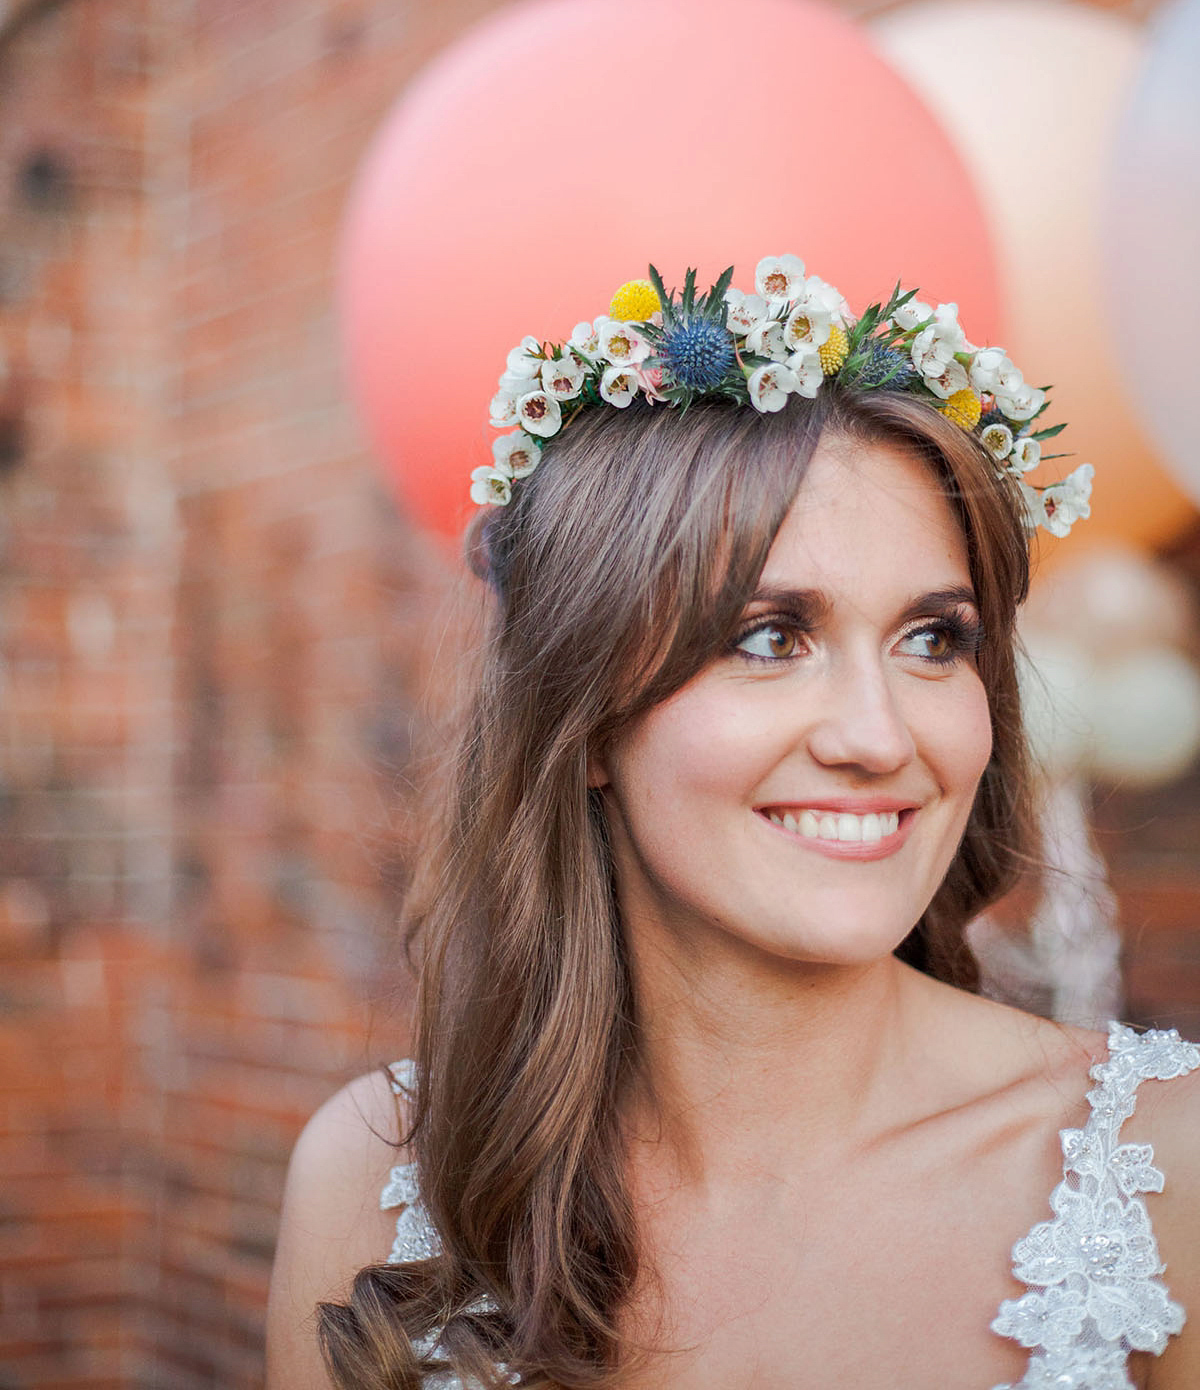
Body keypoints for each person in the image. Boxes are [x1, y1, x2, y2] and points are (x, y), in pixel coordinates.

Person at [266, 257, 1200, 1390]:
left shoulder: (1161, 1173)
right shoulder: (370, 1183)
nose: (879, 736)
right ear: (590, 715)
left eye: (932, 639)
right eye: (769, 637)